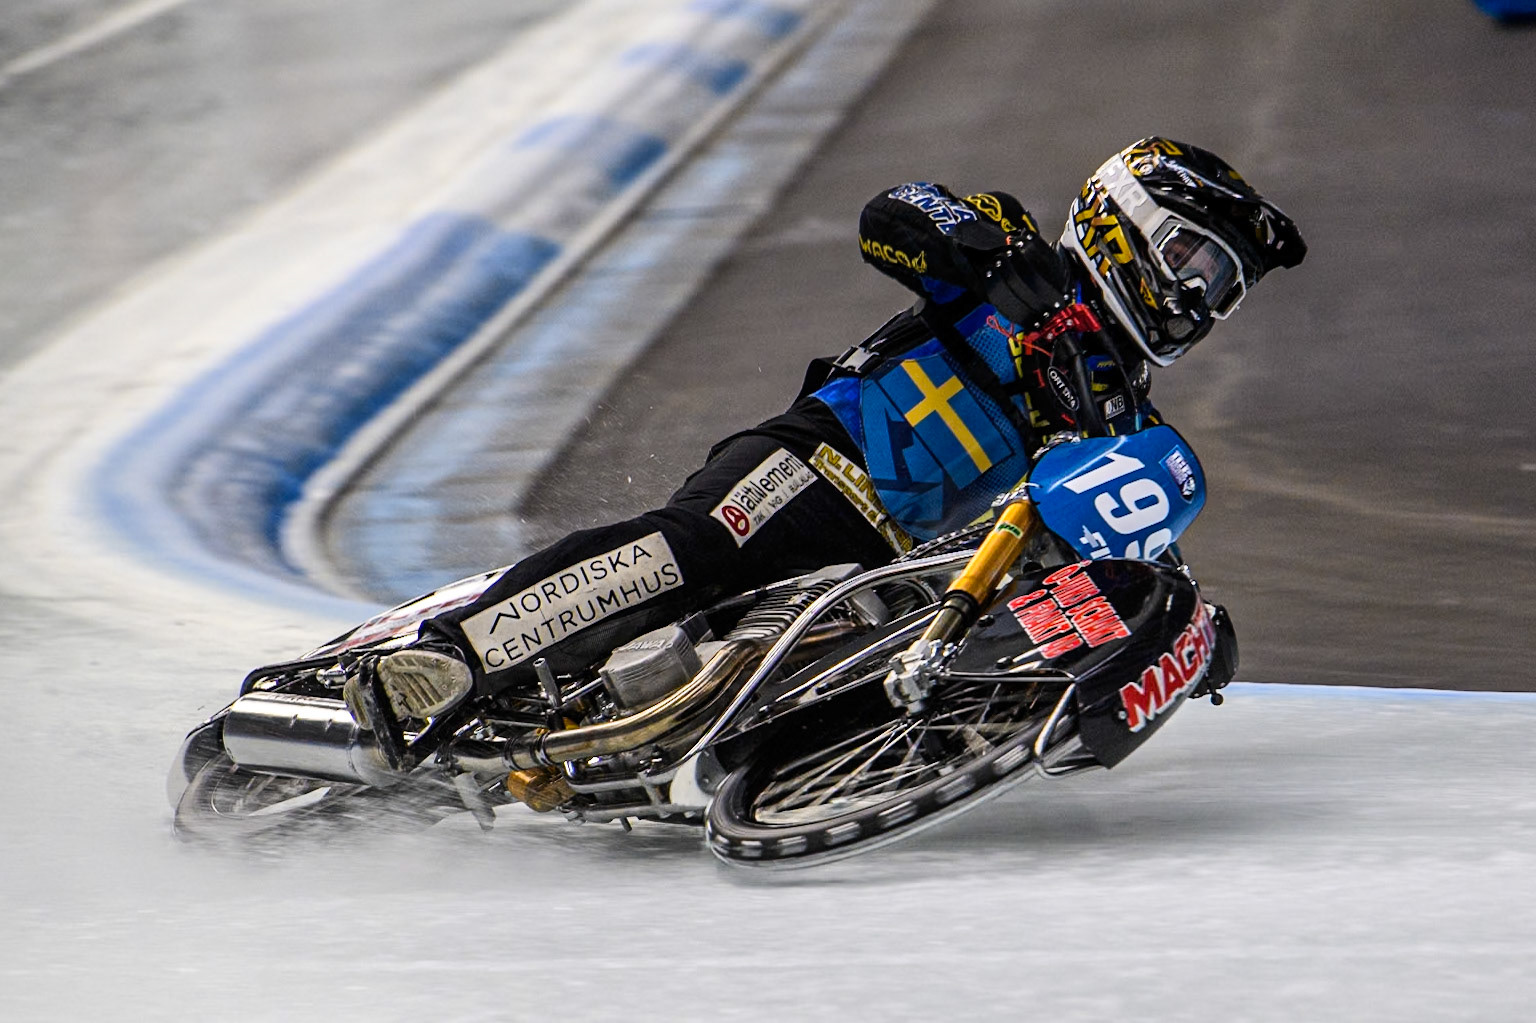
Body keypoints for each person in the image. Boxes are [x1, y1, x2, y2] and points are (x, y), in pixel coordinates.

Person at [344, 136, 1306, 732]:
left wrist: (1187, 631)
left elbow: (1136, 534)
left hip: (901, 570)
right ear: (1122, 222)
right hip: (815, 463)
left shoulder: (1123, 414)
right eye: (1194, 259)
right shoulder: (1017, 251)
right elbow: (891, 215)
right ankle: (449, 658)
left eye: (1225, 286)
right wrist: (986, 253)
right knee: (694, 550)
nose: (1200, 297)